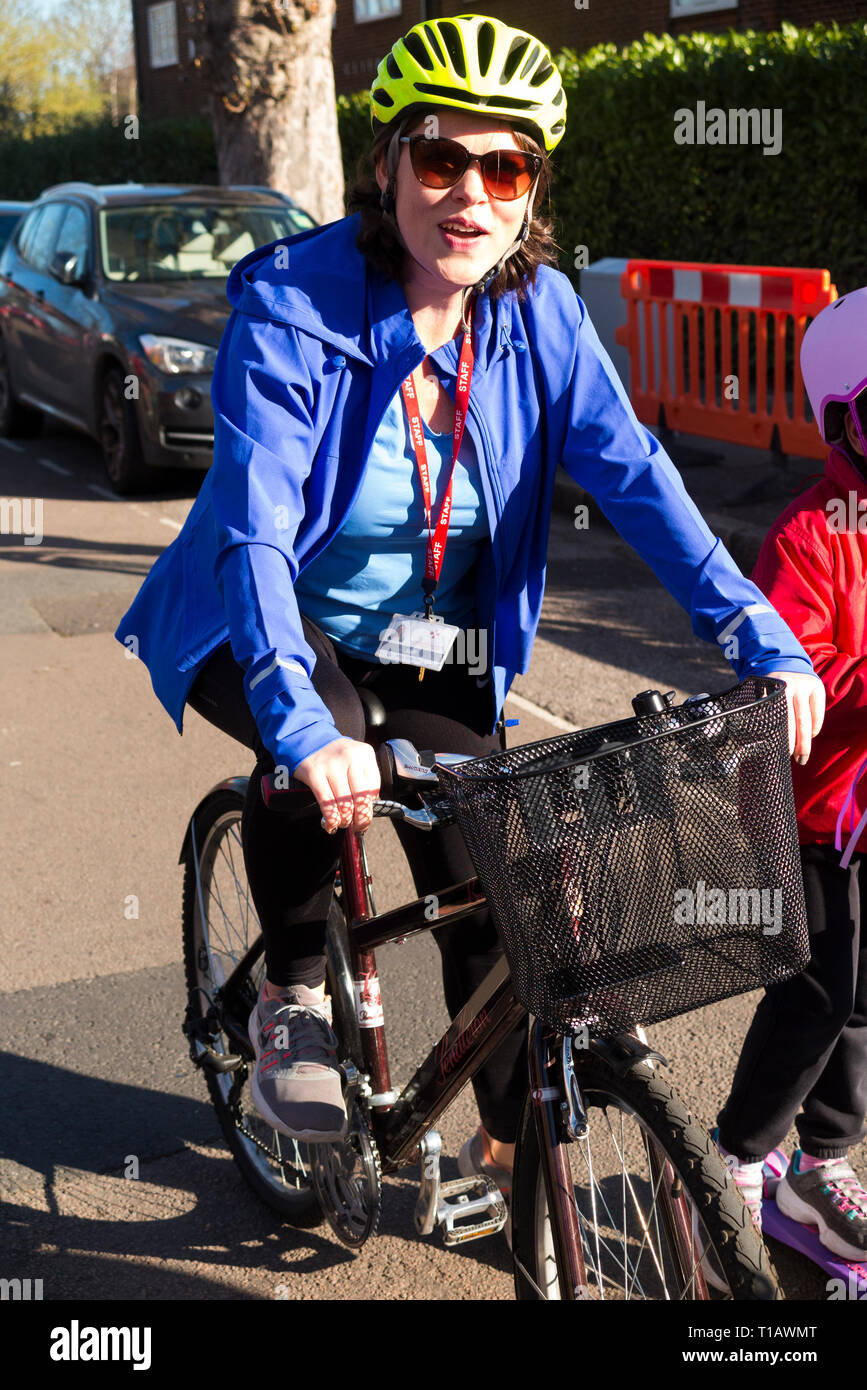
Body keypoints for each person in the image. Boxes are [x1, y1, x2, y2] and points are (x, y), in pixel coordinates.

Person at [115, 14, 821, 1210]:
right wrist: (299, 725)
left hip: (436, 643)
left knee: (493, 886)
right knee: (310, 764)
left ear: (533, 186)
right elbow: (256, 532)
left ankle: (515, 1147)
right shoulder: (297, 308)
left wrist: (762, 637)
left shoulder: (539, 318)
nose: (472, 195)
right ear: (386, 165)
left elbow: (640, 483)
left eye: (506, 167)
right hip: (272, 622)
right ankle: (292, 997)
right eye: (442, 160)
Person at [715, 287, 867, 1261]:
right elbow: (785, 683)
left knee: (859, 989)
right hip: (811, 811)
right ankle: (735, 1154)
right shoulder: (813, 534)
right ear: (843, 419)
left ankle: (826, 1159)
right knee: (818, 989)